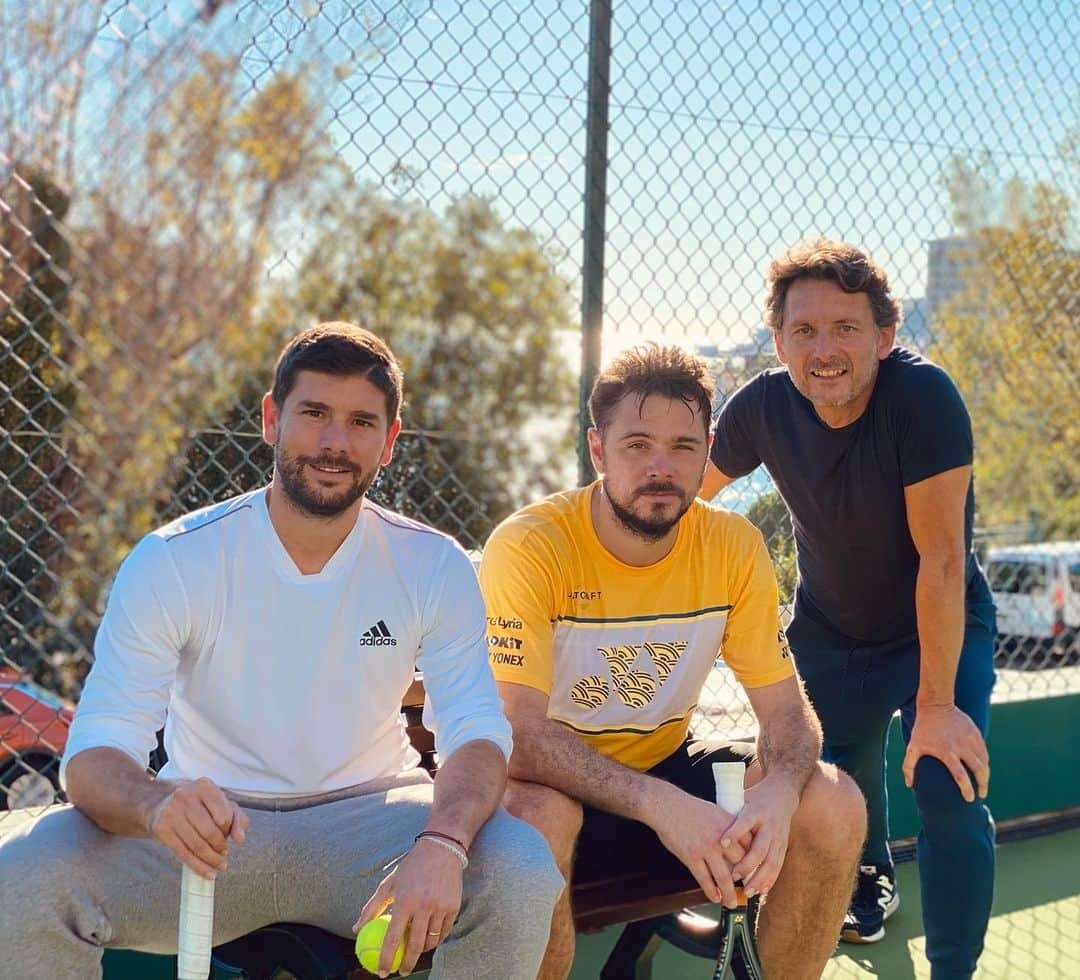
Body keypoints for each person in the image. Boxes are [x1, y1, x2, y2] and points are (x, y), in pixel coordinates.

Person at [0, 322, 562, 980]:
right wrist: (156, 806)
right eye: (314, 413)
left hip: (375, 827)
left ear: (389, 441)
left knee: (523, 868)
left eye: (360, 422)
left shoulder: (432, 563)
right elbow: (94, 753)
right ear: (271, 419)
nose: (334, 442)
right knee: (24, 876)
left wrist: (444, 841)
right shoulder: (174, 560)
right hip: (210, 835)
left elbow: (473, 727)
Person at [479, 343, 868, 980]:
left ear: (706, 452)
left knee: (833, 801)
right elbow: (516, 737)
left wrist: (776, 792)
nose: (662, 467)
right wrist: (660, 805)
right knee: (535, 820)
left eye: (684, 447)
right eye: (637, 445)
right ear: (598, 450)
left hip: (664, 781)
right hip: (552, 792)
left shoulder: (731, 544)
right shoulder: (532, 544)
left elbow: (788, 715)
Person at [700, 239, 996, 978]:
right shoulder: (762, 406)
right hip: (829, 631)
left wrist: (935, 704)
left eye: (845, 329)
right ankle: (871, 880)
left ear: (885, 337)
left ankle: (954, 969)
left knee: (947, 784)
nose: (823, 349)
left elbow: (942, 559)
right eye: (804, 331)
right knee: (829, 776)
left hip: (938, 621)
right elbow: (677, 501)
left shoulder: (924, 399)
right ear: (779, 341)